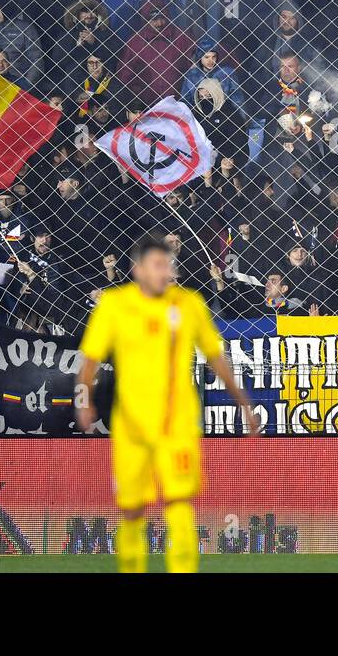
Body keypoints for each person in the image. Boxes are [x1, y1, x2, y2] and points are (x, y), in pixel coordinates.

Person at [76, 234, 258, 573]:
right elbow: (90, 361)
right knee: (132, 510)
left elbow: (216, 357)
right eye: (158, 265)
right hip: (132, 426)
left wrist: (244, 404)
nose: (166, 272)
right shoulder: (115, 305)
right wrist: (84, 400)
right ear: (137, 269)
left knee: (180, 504)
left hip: (178, 424)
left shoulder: (188, 303)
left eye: (169, 265)